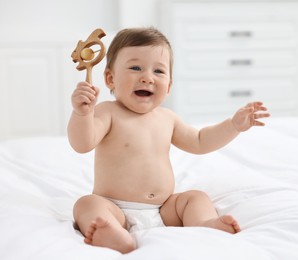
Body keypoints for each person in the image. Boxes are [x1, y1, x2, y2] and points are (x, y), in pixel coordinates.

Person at [67, 27, 270, 254]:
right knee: (86, 204)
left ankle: (204, 224)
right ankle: (113, 232)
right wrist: (82, 115)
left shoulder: (168, 118)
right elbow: (82, 143)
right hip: (115, 207)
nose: (147, 77)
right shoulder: (107, 112)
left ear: (169, 86)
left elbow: (201, 141)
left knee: (196, 198)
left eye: (159, 71)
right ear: (110, 78)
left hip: (163, 209)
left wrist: (233, 126)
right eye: (135, 68)